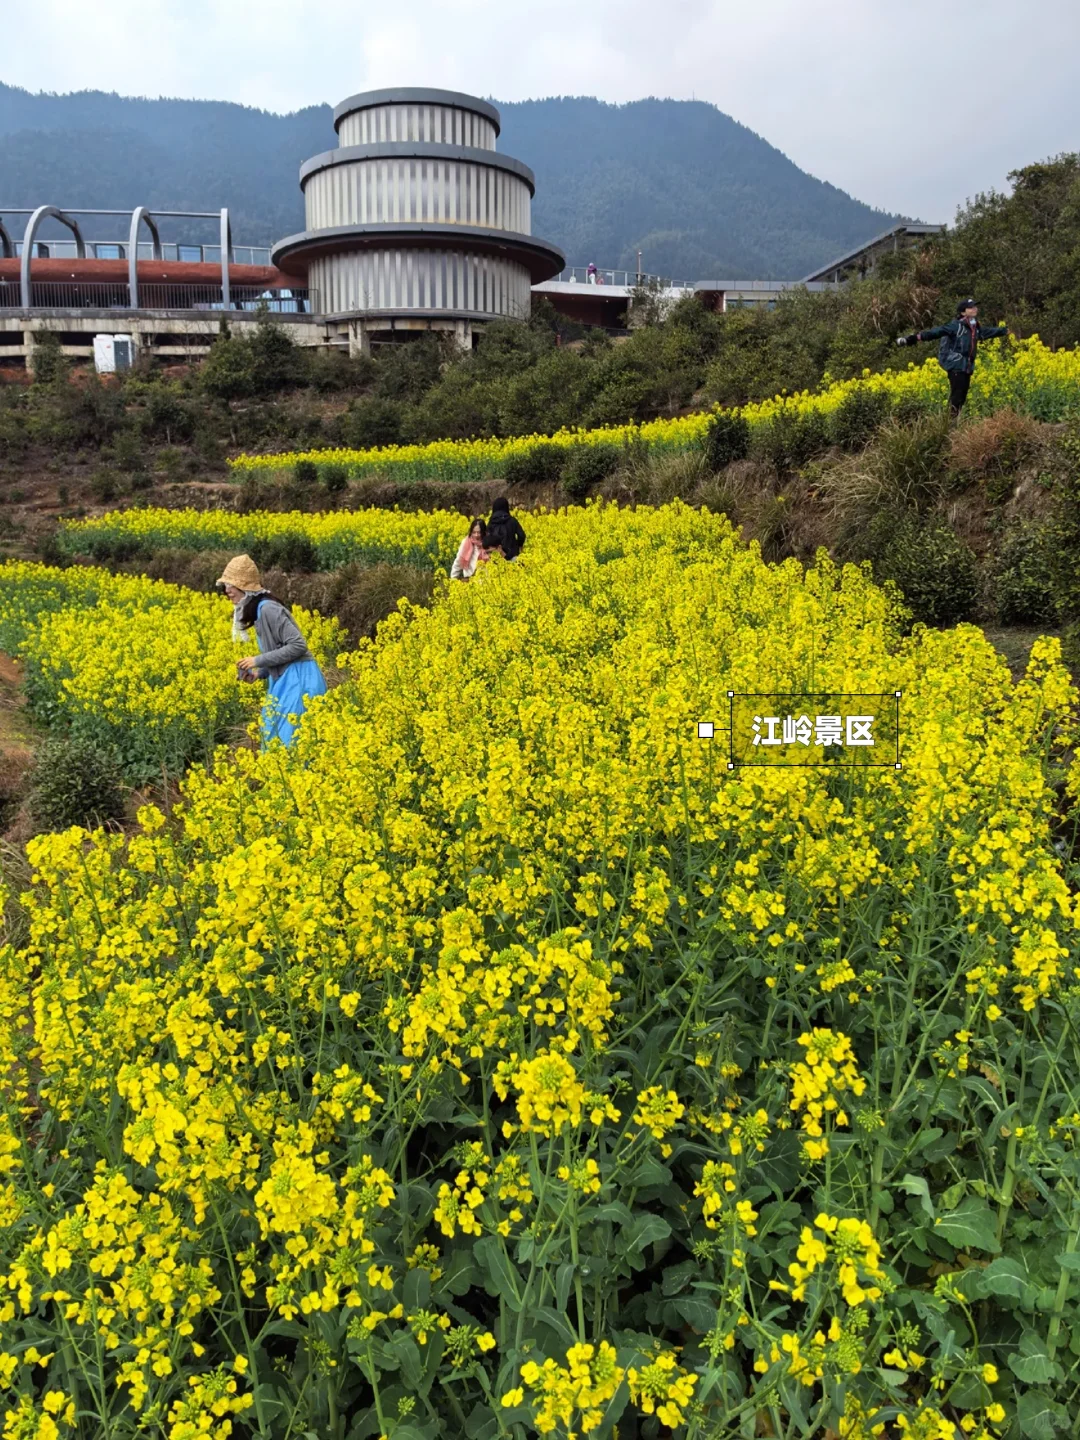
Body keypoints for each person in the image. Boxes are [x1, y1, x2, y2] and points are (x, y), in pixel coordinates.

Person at [217, 554, 327, 749]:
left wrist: (258, 660)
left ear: (244, 587)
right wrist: (259, 673)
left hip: (300, 681)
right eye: (225, 585)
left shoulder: (268, 609)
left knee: (290, 746)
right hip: (285, 680)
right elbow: (280, 653)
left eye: (230, 584)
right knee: (274, 741)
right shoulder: (259, 612)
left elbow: (298, 646)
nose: (226, 590)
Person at [896, 298, 1008, 419]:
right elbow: (937, 332)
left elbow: (986, 332)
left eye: (975, 306)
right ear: (963, 312)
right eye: (971, 307)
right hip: (956, 365)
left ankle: (953, 422)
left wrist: (1004, 331)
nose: (975, 309)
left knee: (962, 397)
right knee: (957, 397)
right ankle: (950, 425)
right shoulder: (956, 326)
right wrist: (915, 338)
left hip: (966, 366)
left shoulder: (974, 327)